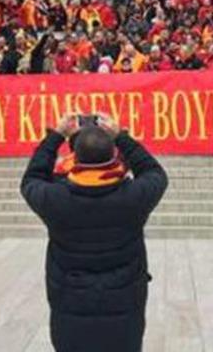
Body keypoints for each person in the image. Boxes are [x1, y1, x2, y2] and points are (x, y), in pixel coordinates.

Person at [20, 113, 168, 352]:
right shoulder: (132, 198)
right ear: (113, 154)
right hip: (124, 306)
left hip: (70, 304)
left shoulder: (56, 199)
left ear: (74, 156)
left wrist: (56, 136)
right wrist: (121, 137)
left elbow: (32, 179)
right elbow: (154, 173)